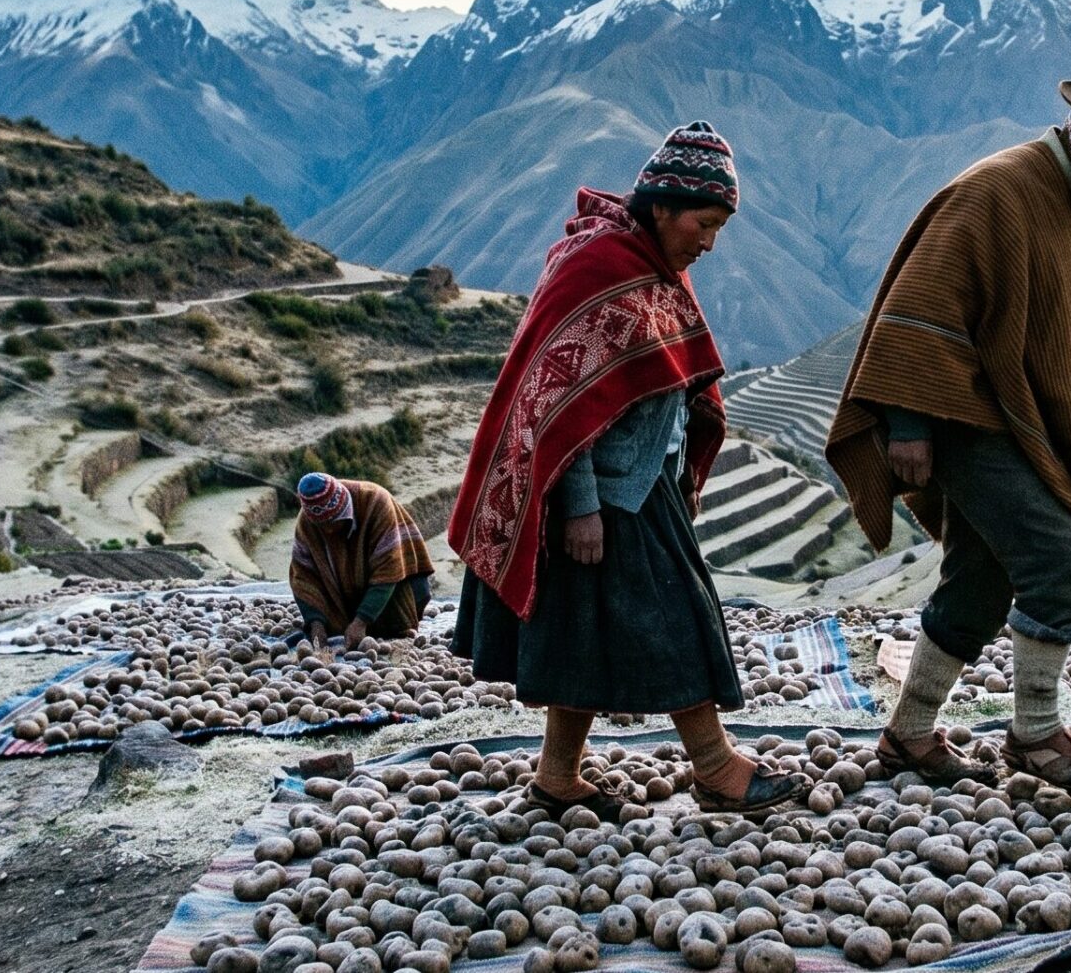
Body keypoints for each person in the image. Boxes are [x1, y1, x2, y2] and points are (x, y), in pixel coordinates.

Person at [826, 54, 1071, 792]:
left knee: (981, 582)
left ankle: (908, 736)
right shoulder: (997, 192)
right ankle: (1036, 735)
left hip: (1023, 425)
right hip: (961, 414)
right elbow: (921, 305)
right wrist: (908, 423)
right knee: (1058, 561)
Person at [450, 121, 809, 816]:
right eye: (703, 225)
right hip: (607, 494)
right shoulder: (599, 266)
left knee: (582, 634)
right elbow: (556, 402)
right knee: (678, 624)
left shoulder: (648, 265)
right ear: (663, 208)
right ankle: (715, 767)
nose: (708, 244)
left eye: (718, 230)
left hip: (647, 482)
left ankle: (558, 779)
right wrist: (581, 503)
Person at [287, 472, 434, 651]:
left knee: (400, 621)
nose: (330, 532)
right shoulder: (308, 520)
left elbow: (388, 570)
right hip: (343, 580)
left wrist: (361, 622)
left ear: (343, 511)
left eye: (333, 523)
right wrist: (315, 623)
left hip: (397, 576)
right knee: (334, 627)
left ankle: (378, 624)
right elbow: (302, 575)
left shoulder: (376, 502)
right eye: (322, 527)